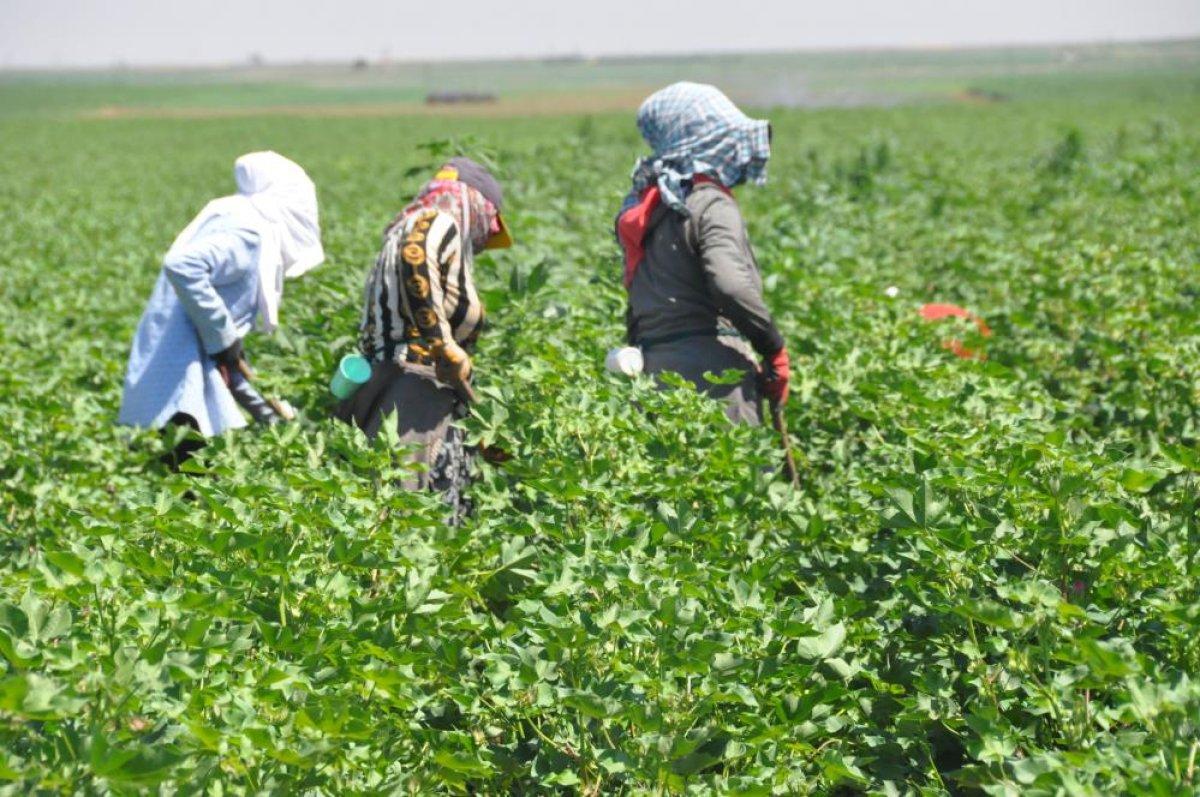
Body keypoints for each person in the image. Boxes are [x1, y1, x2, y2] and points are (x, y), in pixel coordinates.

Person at [335, 157, 512, 522]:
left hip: (394, 383)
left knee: (395, 501)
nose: (488, 234)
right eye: (491, 221)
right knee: (408, 513)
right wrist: (443, 343)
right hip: (414, 392)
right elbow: (415, 255)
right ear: (474, 203)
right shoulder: (437, 220)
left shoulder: (406, 224)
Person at [119, 151, 323, 462]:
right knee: (190, 476)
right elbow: (181, 265)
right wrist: (224, 338)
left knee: (185, 473)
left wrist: (271, 417)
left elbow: (227, 358)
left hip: (175, 375)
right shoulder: (246, 233)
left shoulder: (232, 217)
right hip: (180, 382)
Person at [616, 82, 789, 425]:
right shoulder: (709, 203)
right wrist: (773, 349)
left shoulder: (647, 204)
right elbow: (731, 285)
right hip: (715, 376)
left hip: (655, 372)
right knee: (731, 459)